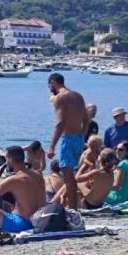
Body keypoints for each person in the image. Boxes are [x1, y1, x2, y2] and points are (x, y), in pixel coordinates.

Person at [47, 73, 88, 210]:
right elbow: (86, 119)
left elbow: (60, 123)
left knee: (69, 179)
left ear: (53, 82)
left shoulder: (60, 98)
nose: (50, 90)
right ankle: (74, 207)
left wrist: (52, 145)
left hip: (68, 138)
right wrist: (82, 136)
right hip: (78, 138)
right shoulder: (78, 96)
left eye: (49, 86)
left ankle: (72, 210)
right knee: (72, 177)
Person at [104, 141, 128, 206]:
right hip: (126, 199)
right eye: (116, 148)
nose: (117, 151)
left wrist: (101, 187)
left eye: (120, 150)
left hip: (116, 199)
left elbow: (116, 186)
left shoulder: (122, 164)